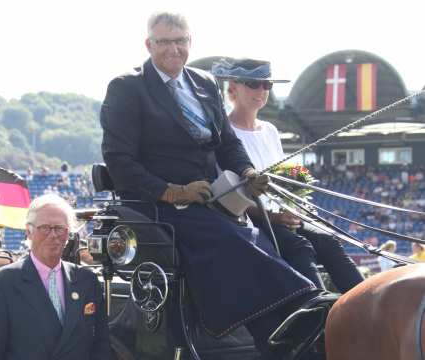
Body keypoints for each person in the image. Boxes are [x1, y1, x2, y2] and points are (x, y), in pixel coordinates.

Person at [100, 11, 322, 358]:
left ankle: (295, 328)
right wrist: (171, 190)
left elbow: (227, 143)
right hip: (159, 204)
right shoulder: (127, 88)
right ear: (149, 45)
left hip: (210, 199)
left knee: (269, 241)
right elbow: (119, 160)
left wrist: (248, 173)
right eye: (164, 42)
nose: (173, 49)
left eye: (181, 41)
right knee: (237, 244)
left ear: (190, 43)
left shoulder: (203, 82)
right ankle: (301, 315)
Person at [212, 58, 364, 293]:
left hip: (282, 217)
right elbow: (228, 195)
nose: (261, 91)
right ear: (233, 87)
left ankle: (364, 302)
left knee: (329, 241)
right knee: (299, 246)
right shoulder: (225, 133)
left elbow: (281, 181)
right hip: (250, 221)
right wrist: (272, 218)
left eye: (267, 85)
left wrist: (292, 207)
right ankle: (318, 312)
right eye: (254, 84)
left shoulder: (271, 131)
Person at [0, 194, 110, 360]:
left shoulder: (87, 280)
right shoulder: (3, 283)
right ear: (28, 232)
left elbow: (101, 345)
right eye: (45, 228)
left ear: (68, 234)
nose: (53, 235)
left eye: (59, 228)